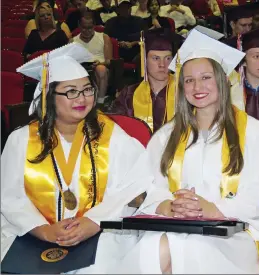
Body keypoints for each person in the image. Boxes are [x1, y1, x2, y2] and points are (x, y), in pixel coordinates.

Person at [117, 28, 259, 274]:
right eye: (189, 80)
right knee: (153, 246)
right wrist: (168, 206)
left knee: (180, 249)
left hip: (233, 234)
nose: (197, 86)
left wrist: (210, 208)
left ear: (222, 80)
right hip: (174, 227)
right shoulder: (166, 136)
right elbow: (147, 188)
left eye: (206, 77)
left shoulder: (254, 133)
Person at [1, 43, 149, 273]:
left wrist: (95, 221)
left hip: (99, 234)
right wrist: (43, 229)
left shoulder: (112, 135)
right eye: (71, 91)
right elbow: (9, 197)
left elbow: (135, 185)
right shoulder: (20, 140)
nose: (82, 98)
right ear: (50, 96)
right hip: (34, 235)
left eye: (87, 89)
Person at [112, 29, 180, 133]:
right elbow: (115, 128)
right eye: (156, 58)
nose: (162, 64)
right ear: (144, 61)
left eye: (167, 58)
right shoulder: (129, 94)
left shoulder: (184, 91)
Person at [73, 12, 113, 104]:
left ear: (94, 25)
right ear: (79, 26)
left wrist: (100, 63)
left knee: (101, 69)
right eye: (84, 28)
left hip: (100, 68)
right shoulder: (73, 41)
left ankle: (100, 102)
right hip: (81, 70)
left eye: (90, 28)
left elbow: (109, 61)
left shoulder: (103, 37)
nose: (87, 31)